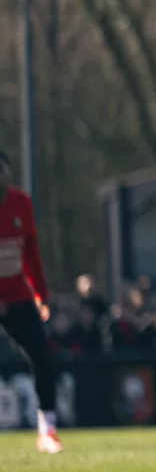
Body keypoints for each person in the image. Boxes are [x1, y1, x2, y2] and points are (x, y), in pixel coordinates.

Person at [0, 151, 60, 453]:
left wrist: (41, 294)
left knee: (41, 354)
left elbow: (31, 252)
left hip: (18, 295)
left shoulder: (20, 203)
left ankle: (47, 429)